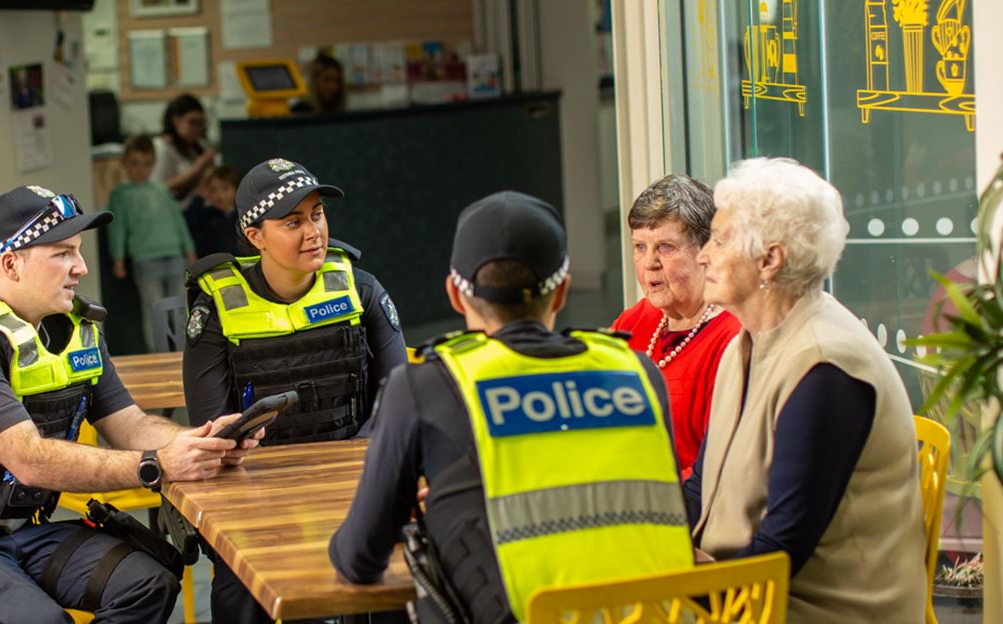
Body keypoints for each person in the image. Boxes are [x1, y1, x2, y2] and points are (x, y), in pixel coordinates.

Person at [0, 185, 264, 623]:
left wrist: (203, 441)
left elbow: (132, 426)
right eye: (62, 253)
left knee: (150, 582)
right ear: (11, 264)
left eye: (77, 252)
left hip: (25, 533)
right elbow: (27, 459)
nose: (80, 267)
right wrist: (155, 465)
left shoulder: (75, 333)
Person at [330, 191, 691, 623]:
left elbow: (358, 558)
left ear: (455, 295)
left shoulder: (425, 386)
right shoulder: (638, 372)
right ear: (561, 293)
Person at [688, 158, 925, 621]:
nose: (703, 255)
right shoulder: (746, 342)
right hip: (742, 588)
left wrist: (684, 583)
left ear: (770, 260)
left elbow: (782, 550)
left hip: (813, 609)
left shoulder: (825, 368)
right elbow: (702, 485)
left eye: (719, 240)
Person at [183, 158, 408, 623]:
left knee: (397, 580)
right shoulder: (216, 311)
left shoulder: (361, 291)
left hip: (353, 477)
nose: (313, 232)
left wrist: (350, 473)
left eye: (317, 215)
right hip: (258, 489)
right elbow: (214, 425)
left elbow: (398, 398)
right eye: (292, 222)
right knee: (241, 595)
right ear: (254, 236)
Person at [610, 174, 740, 478]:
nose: (649, 263)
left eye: (665, 247)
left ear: (707, 251)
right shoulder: (635, 320)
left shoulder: (733, 337)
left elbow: (721, 469)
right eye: (639, 247)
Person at [107, 135, 196, 351]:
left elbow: (178, 220)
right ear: (124, 163)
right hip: (146, 260)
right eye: (134, 163)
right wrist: (117, 257)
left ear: (153, 164)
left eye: (146, 164)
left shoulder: (161, 190)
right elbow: (117, 228)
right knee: (154, 309)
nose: (140, 169)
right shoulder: (120, 195)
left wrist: (190, 249)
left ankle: (185, 353)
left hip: (175, 256)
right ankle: (157, 354)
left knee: (180, 308)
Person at [151, 94, 216, 205]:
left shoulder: (199, 147)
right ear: (176, 121)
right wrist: (200, 165)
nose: (197, 128)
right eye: (192, 122)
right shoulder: (162, 147)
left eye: (201, 123)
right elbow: (159, 188)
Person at [186, 164, 242, 258]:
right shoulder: (205, 216)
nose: (219, 195)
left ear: (236, 189)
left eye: (225, 189)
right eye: (213, 190)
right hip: (213, 264)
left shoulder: (242, 215)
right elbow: (190, 222)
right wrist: (199, 197)